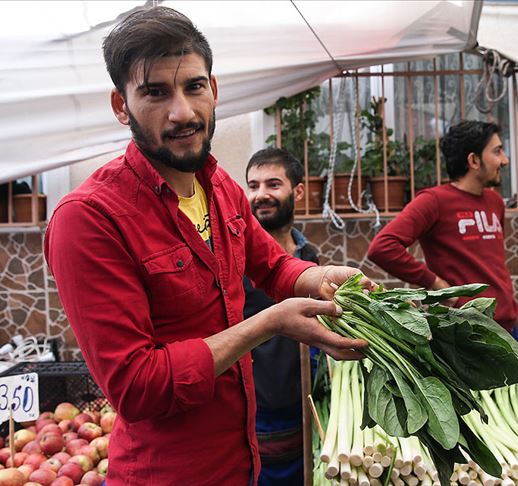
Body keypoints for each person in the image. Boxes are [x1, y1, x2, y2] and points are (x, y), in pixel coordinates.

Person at [44, 7, 369, 485]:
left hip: (241, 464)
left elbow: (274, 266)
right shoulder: (88, 219)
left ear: (213, 90)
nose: (182, 112)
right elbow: (136, 386)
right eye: (155, 92)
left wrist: (316, 277)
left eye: (193, 86)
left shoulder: (221, 188)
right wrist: (269, 324)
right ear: (121, 105)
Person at [367, 120, 518, 331]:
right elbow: (382, 247)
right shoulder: (434, 201)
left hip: (507, 325)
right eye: (497, 151)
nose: (505, 160)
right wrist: (436, 284)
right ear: (473, 160)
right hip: (466, 329)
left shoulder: (495, 203)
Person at [243, 148, 318, 486]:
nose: (261, 195)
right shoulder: (235, 263)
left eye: (273, 184)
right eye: (253, 185)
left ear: (297, 191)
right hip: (255, 414)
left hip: (302, 410)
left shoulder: (309, 256)